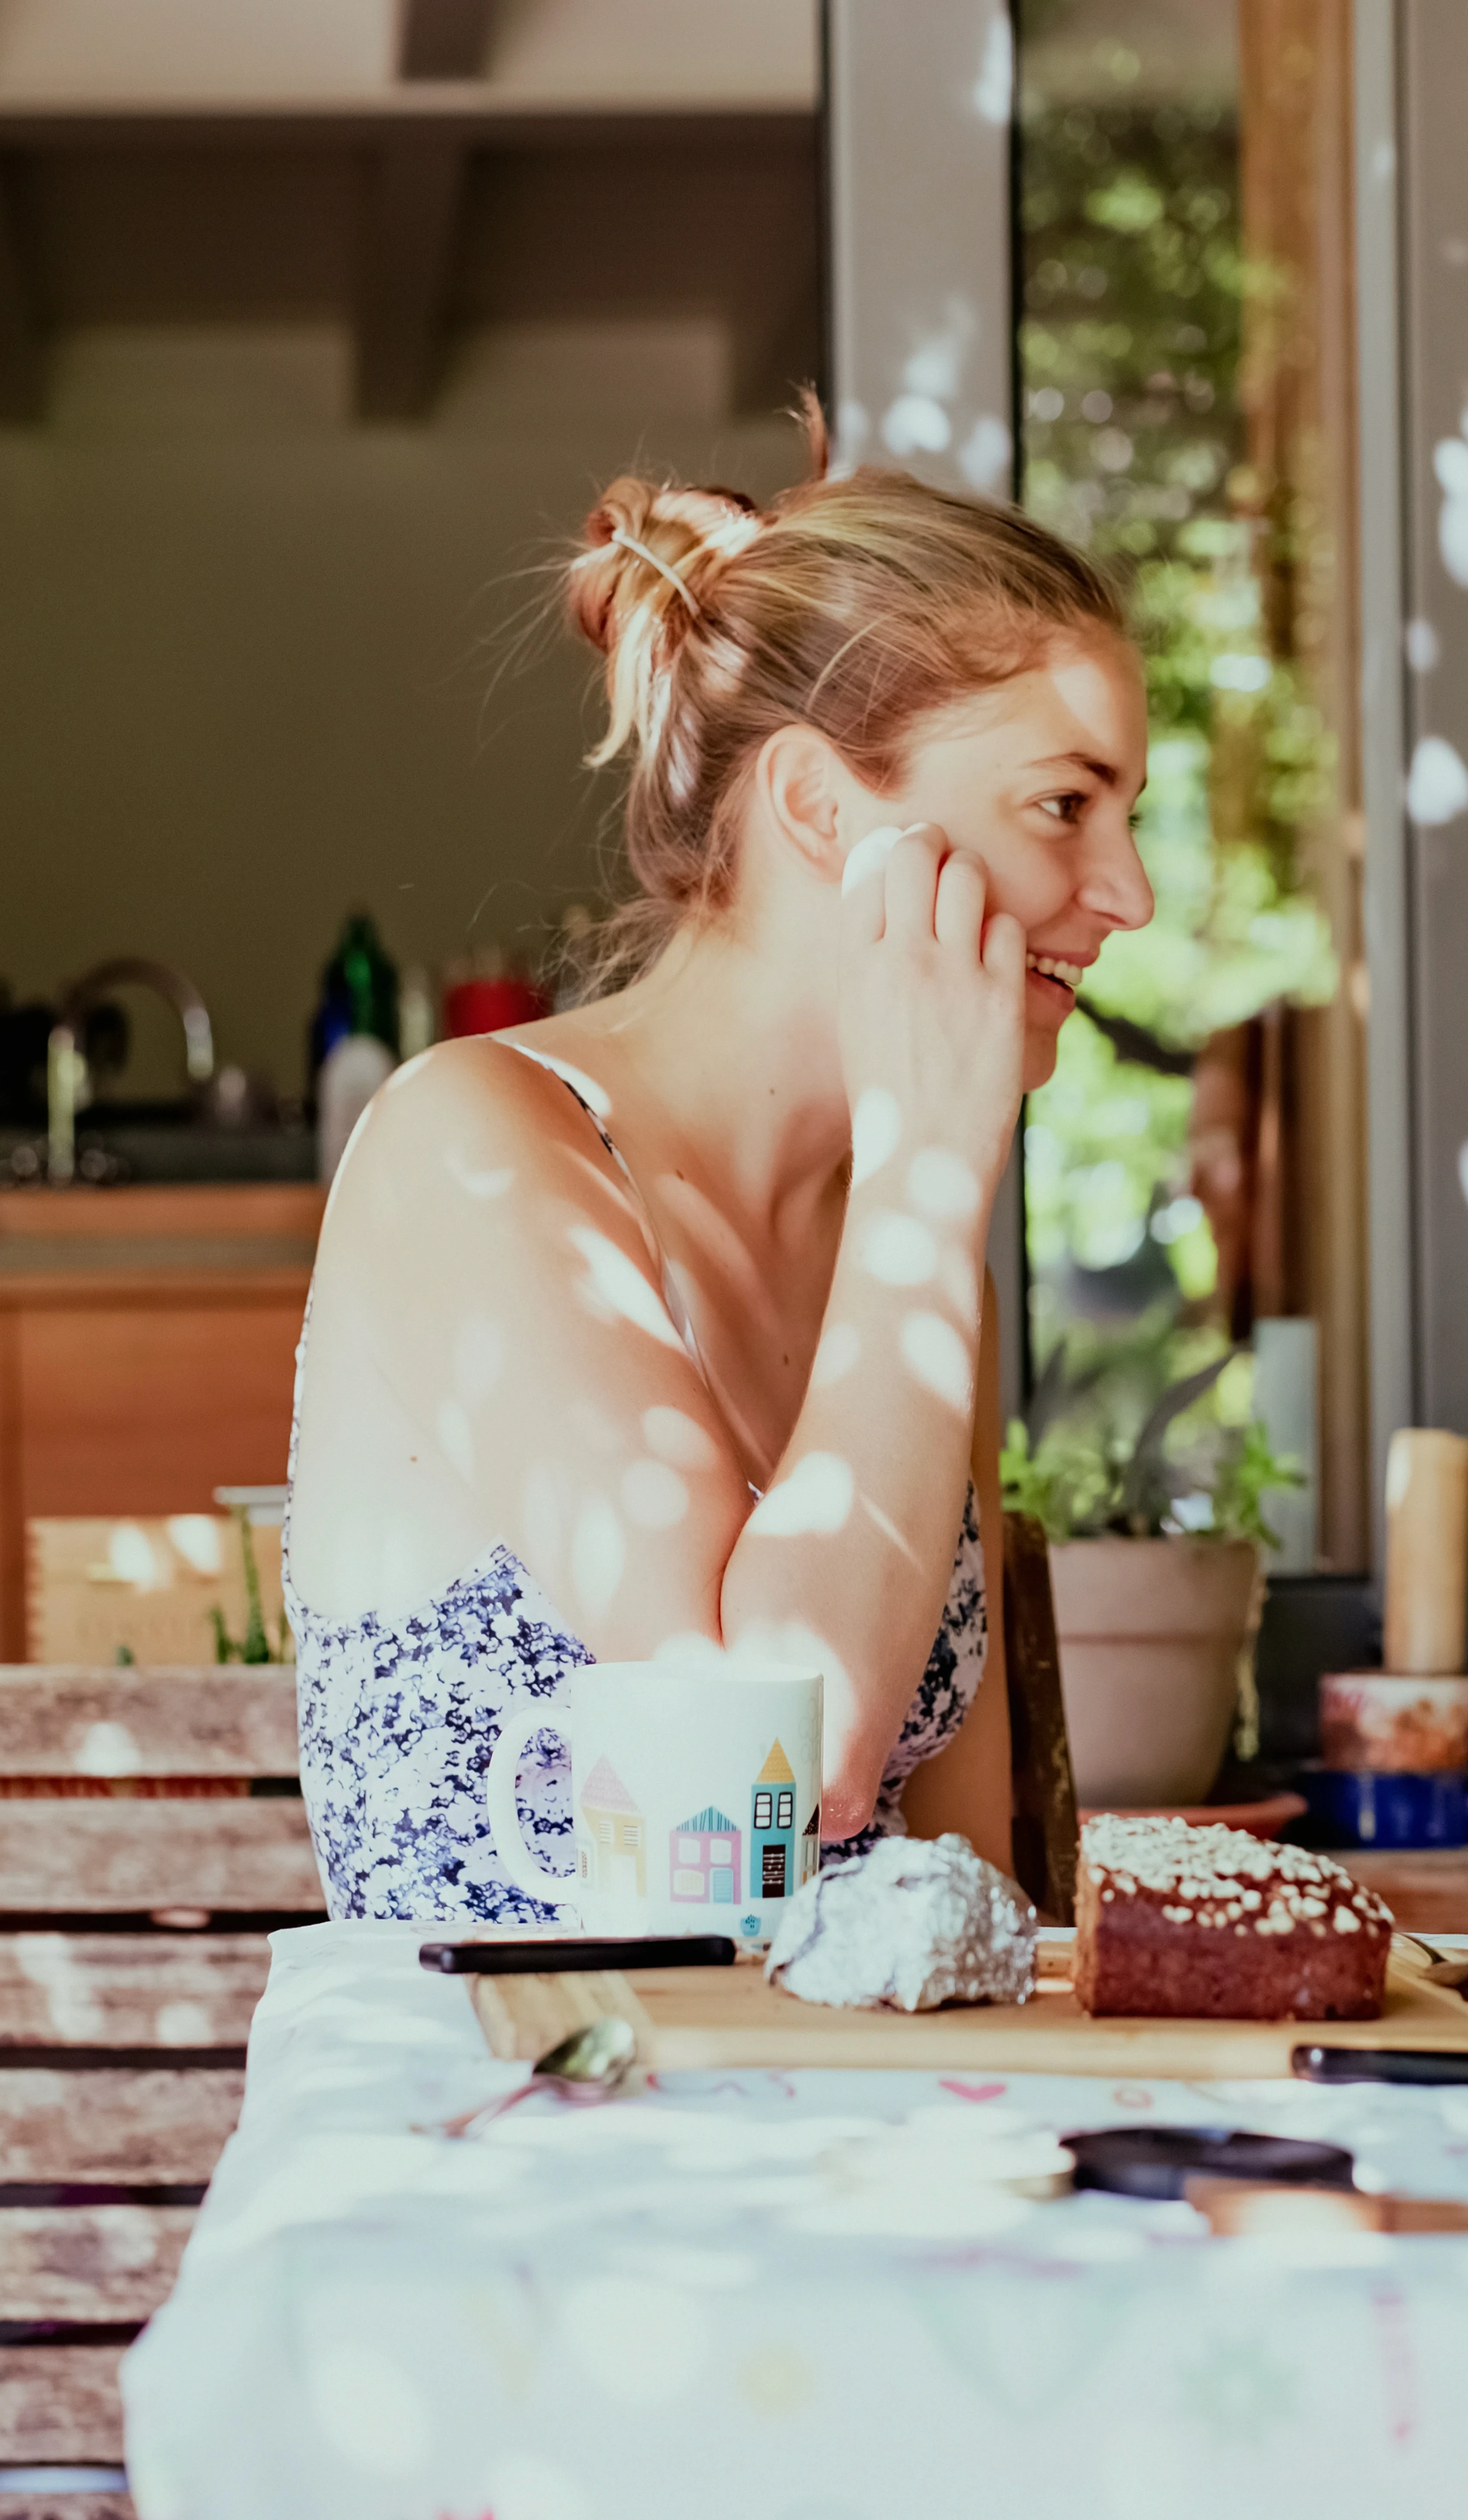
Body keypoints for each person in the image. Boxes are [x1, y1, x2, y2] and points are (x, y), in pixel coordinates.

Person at [285, 427, 1151, 1919]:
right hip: (526, 2127)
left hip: (845, 2131)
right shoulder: (479, 1148)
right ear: (820, 810)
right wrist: (928, 1186)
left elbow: (968, 1893)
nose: (1128, 895)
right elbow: (769, 1756)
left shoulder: (910, 1263)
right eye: (1063, 805)